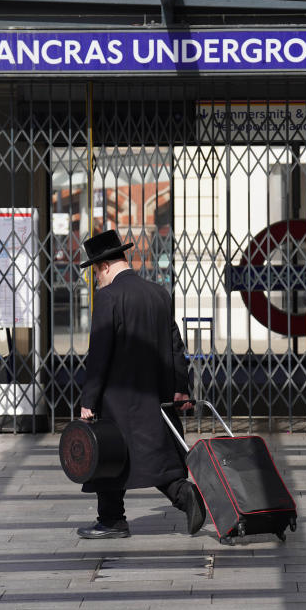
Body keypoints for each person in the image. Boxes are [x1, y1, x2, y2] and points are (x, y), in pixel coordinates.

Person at [76, 229, 206, 539]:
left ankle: (111, 520)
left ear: (105, 266)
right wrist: (181, 386)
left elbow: (100, 353)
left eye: (95, 271)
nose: (96, 279)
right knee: (156, 453)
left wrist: (88, 399)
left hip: (117, 397)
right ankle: (185, 496)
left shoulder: (108, 297)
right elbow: (176, 345)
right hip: (155, 393)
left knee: (107, 454)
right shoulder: (158, 292)